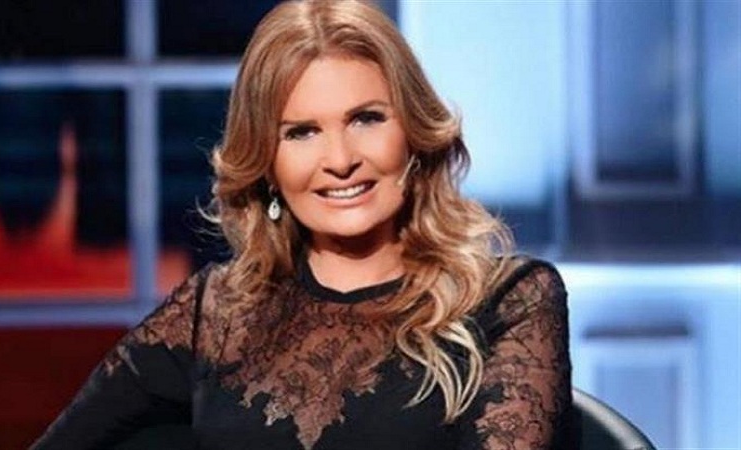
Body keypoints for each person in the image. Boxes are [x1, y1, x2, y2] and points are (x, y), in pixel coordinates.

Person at [32, 1, 572, 449]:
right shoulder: (218, 311)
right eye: (301, 133)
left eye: (366, 119)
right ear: (266, 163)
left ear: (413, 133)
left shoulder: (511, 300)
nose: (340, 160)